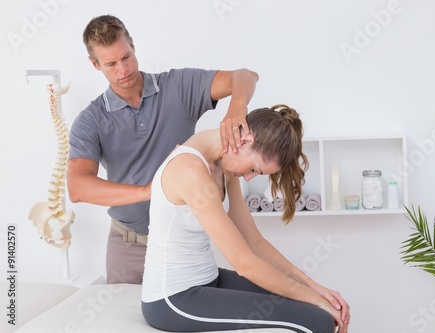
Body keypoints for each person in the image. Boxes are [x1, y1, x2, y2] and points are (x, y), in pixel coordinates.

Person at [67, 15, 259, 284]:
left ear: (133, 44)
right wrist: (150, 190)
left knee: (188, 320)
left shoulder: (178, 87)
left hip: (184, 242)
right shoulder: (91, 120)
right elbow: (78, 188)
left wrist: (237, 106)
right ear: (95, 64)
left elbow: (245, 76)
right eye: (111, 64)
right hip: (128, 247)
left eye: (126, 57)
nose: (123, 70)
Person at [141, 105, 351, 333]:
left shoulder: (224, 165)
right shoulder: (190, 170)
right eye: (254, 168)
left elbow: (254, 242)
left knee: (316, 310)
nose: (249, 178)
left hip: (208, 279)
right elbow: (245, 264)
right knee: (317, 322)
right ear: (245, 140)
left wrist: (313, 288)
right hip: (173, 298)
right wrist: (316, 300)